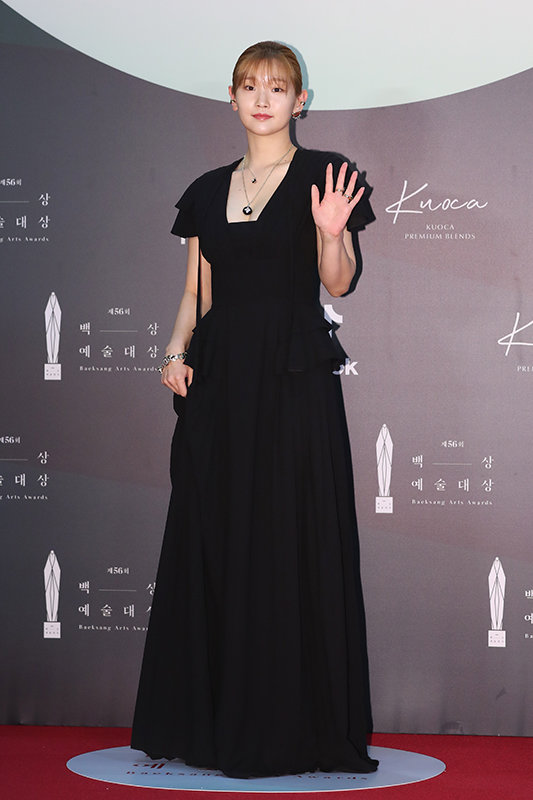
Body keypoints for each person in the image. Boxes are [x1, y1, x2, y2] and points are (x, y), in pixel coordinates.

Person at [131, 40, 378, 779]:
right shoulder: (206, 190)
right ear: (232, 98)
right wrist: (173, 352)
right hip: (220, 383)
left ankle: (290, 726)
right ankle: (211, 721)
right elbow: (194, 293)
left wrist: (331, 232)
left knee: (287, 537)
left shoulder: (326, 175)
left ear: (300, 101)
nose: (262, 98)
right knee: (217, 536)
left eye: (277, 86)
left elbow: (339, 282)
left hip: (293, 380)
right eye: (249, 85)